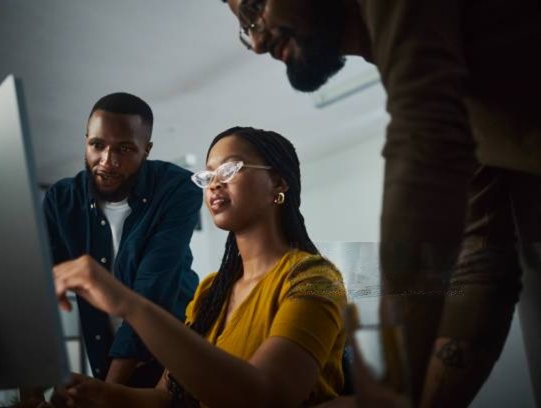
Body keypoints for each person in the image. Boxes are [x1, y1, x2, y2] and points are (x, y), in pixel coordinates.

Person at [218, 0, 541, 406]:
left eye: (253, 9)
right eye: (246, 29)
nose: (258, 42)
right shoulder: (444, 81)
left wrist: (390, 374)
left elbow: (425, 140)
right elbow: (481, 259)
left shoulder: (423, 90)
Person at [49, 126, 348, 407]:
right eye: (208, 175)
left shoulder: (319, 280)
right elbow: (168, 399)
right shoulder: (210, 291)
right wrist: (100, 394)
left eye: (229, 169)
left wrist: (129, 304)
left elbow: (267, 396)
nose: (214, 183)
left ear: (278, 183)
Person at [42, 92, 202, 387]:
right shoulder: (62, 199)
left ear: (146, 150)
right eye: (97, 145)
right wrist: (33, 392)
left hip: (176, 355)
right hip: (105, 357)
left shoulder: (178, 189)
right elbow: (41, 293)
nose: (107, 161)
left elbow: (151, 293)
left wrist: (109, 393)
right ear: (86, 140)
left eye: (125, 148)